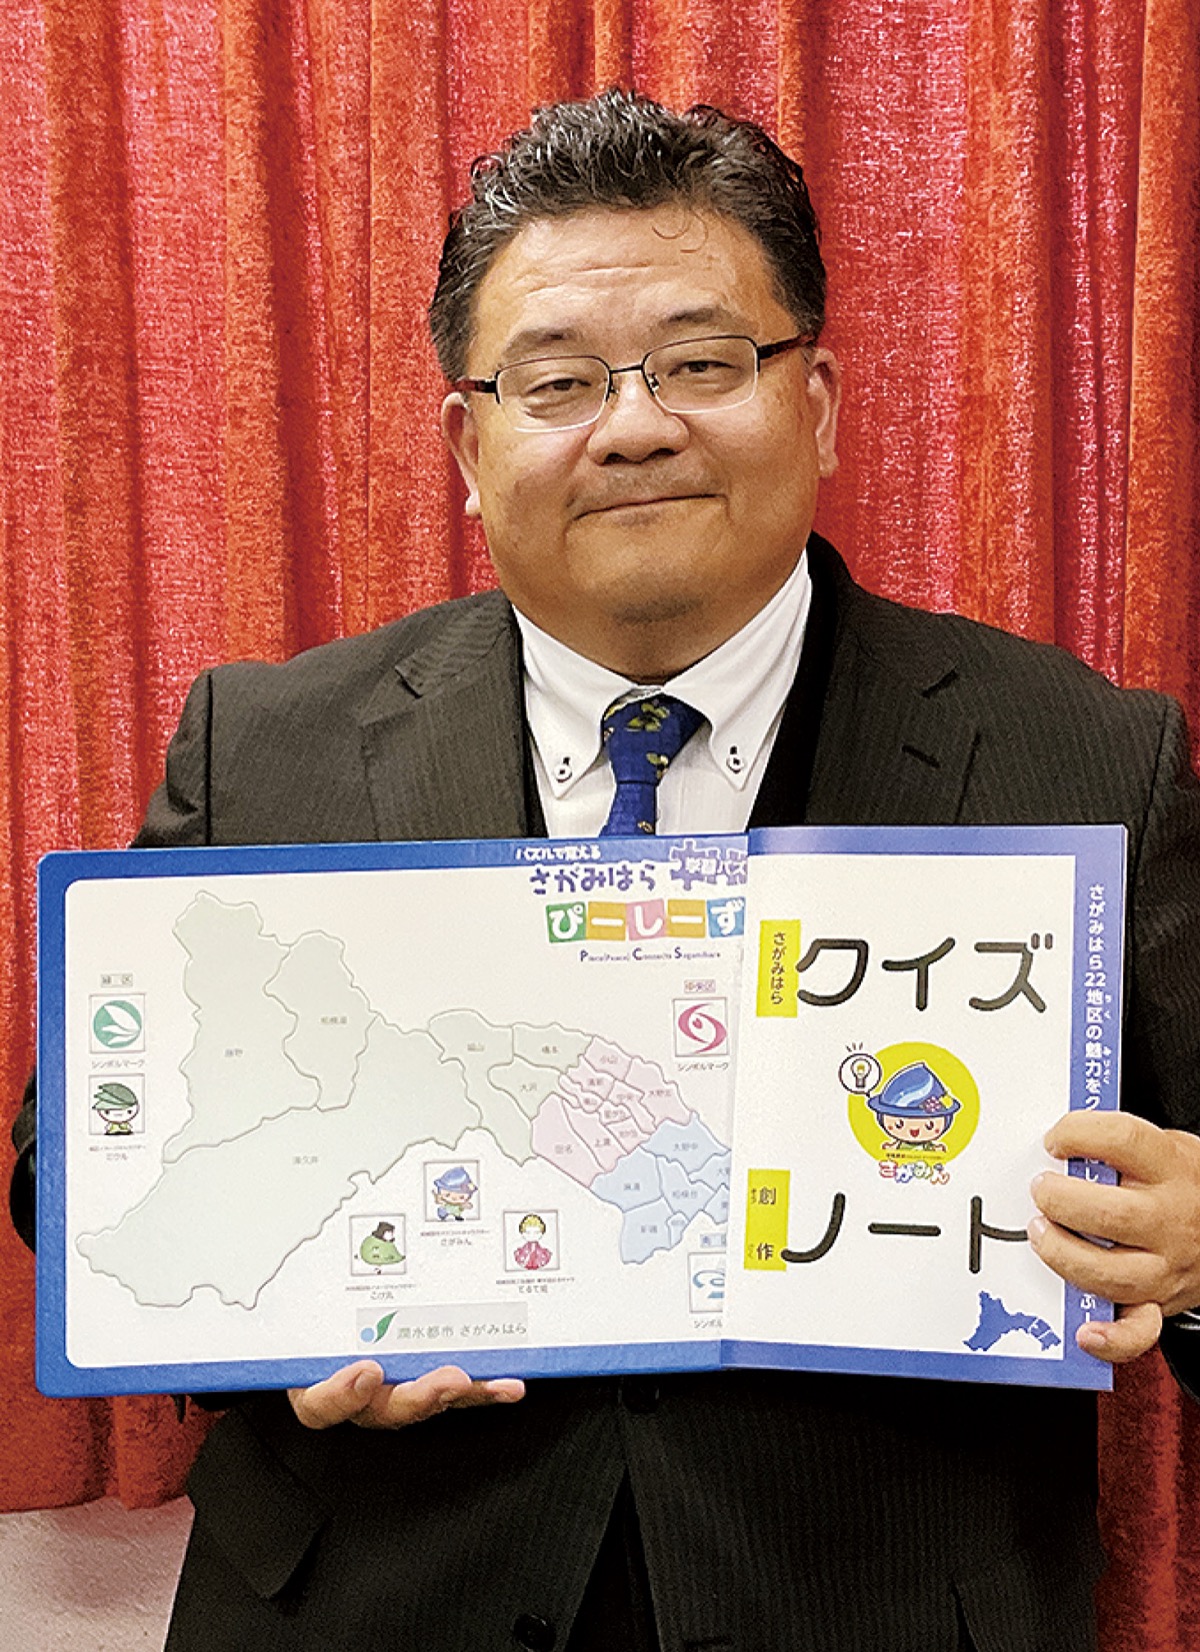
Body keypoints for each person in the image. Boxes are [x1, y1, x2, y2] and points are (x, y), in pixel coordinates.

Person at [10, 89, 1200, 1652]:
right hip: (371, 1601)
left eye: (702, 363)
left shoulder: (1084, 756)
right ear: (468, 441)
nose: (634, 427)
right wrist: (266, 1334)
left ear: (819, 402)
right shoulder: (268, 744)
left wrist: (1194, 1254)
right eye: (559, 380)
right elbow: (67, 1161)